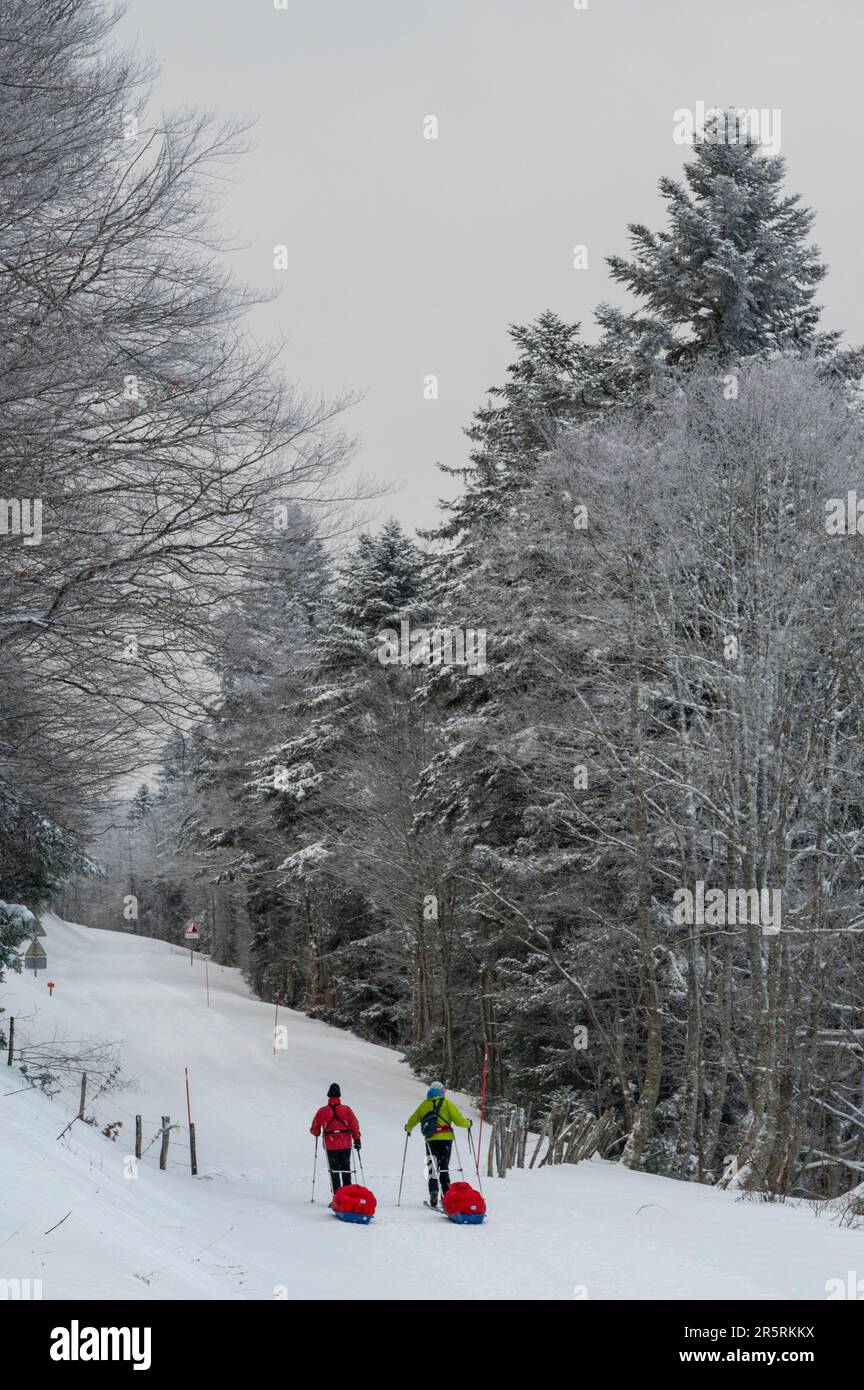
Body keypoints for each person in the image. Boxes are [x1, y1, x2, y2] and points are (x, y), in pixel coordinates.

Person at [405, 1082, 472, 1208]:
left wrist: (408, 1128)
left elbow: (413, 1119)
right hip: (446, 1139)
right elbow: (459, 1121)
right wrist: (468, 1123)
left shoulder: (424, 1105)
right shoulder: (447, 1104)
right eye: (444, 1090)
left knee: (432, 1166)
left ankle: (433, 1191)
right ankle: (446, 1195)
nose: (445, 1091)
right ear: (440, 1091)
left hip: (431, 1139)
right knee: (444, 1167)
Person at [311, 1083, 361, 1201]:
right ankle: (348, 1196)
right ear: (339, 1095)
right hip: (345, 1143)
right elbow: (354, 1125)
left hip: (331, 1145)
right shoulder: (347, 1110)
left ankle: (337, 1198)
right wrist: (357, 1139)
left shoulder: (322, 1111)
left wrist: (316, 1132)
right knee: (345, 1168)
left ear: (329, 1095)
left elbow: (315, 1129)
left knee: (334, 1170)